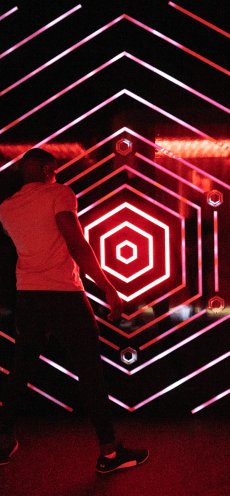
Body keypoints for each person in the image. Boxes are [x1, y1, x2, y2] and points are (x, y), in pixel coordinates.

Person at [0, 148, 148, 472]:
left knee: (21, 369)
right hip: (64, 294)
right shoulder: (60, 192)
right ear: (49, 168)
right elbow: (74, 240)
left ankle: (2, 443)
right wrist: (108, 287)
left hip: (28, 295)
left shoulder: (6, 208)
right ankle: (110, 454)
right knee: (90, 371)